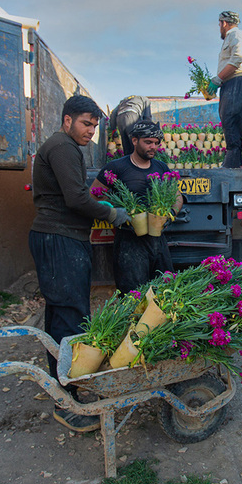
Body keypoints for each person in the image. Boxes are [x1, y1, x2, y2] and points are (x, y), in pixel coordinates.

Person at [29, 95, 131, 433]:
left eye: (94, 125)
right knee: (69, 317)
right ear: (67, 119)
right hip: (59, 239)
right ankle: (67, 403)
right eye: (86, 123)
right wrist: (112, 213)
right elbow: (75, 197)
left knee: (61, 313)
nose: (90, 131)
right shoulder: (62, 146)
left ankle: (61, 388)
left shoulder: (65, 146)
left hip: (60, 237)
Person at [91, 120, 183, 294]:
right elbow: (93, 196)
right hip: (129, 242)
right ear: (134, 140)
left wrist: (171, 213)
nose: (153, 147)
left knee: (165, 293)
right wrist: (114, 212)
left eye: (156, 143)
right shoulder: (116, 167)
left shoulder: (161, 167)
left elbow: (176, 196)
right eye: (148, 142)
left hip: (158, 240)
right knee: (133, 297)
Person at [206, 11, 242, 168]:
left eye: (219, 24)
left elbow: (238, 58)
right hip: (236, 84)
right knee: (232, 124)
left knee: (230, 121)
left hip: (236, 83)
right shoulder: (236, 36)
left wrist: (218, 79)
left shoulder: (235, 35)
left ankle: (232, 165)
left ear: (224, 23)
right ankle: (236, 164)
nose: (219, 28)